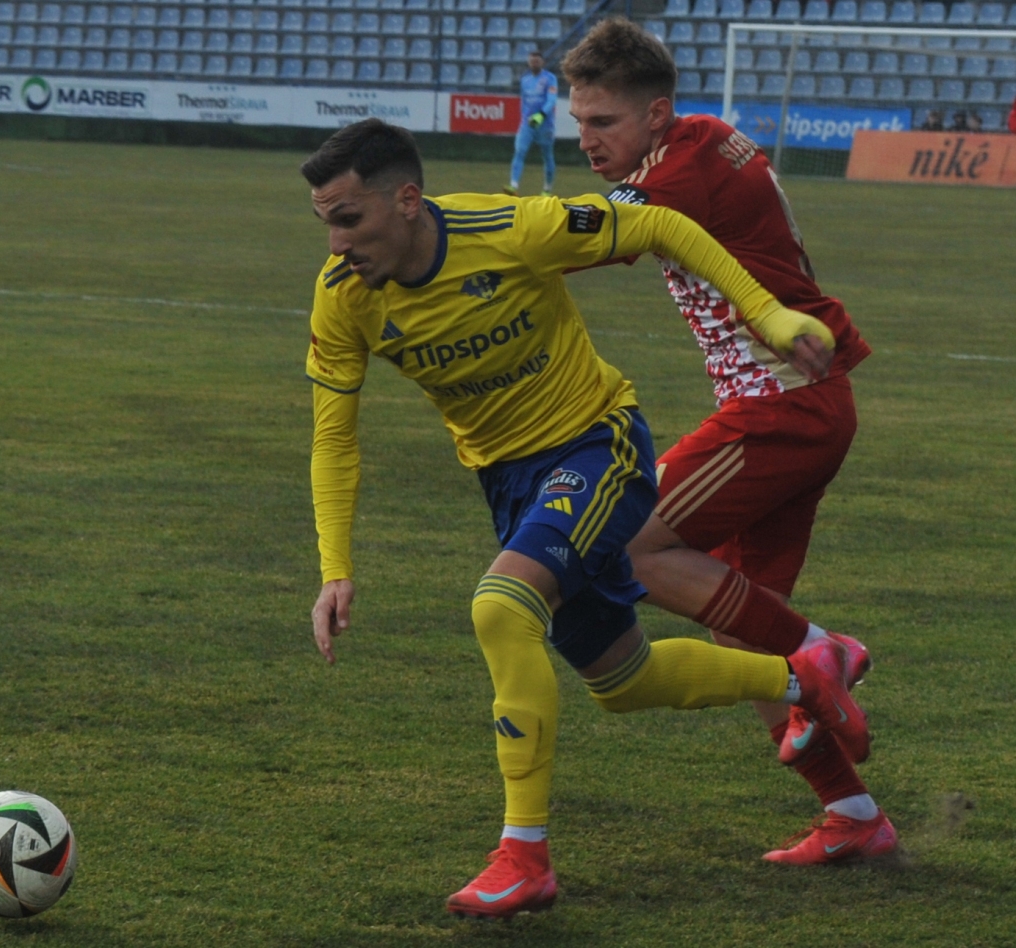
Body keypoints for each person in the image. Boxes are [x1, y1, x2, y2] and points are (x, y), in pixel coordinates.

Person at [301, 118, 870, 919]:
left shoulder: (511, 227)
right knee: (623, 680)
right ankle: (805, 670)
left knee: (501, 606)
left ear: (406, 200)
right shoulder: (343, 297)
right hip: (510, 484)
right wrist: (335, 568)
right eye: (326, 223)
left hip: (598, 444)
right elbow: (334, 437)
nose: (336, 244)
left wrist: (771, 319)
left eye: (348, 219)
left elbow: (662, 225)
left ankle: (524, 857)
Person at [564, 18, 895, 865]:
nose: (586, 138)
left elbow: (568, 242)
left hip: (780, 406)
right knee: (742, 631)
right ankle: (853, 815)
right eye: (579, 120)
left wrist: (452, 238)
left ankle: (825, 651)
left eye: (603, 121)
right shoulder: (707, 138)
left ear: (656, 113)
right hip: (808, 399)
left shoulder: (673, 176)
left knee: (623, 546)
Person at [503, 51, 558, 198]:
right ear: (528, 62)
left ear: (542, 62)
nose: (534, 63)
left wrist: (541, 114)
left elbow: (551, 100)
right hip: (527, 124)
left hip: (545, 124)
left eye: (537, 61)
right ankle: (513, 186)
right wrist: (523, 118)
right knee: (519, 151)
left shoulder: (550, 78)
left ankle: (547, 189)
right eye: (532, 61)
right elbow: (523, 101)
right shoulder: (525, 80)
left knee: (547, 156)